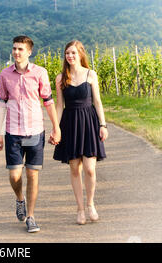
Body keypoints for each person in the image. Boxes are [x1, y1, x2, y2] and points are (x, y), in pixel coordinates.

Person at [0, 35, 61, 233]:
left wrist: (56, 127)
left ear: (29, 52)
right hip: (13, 132)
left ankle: (31, 216)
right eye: (14, 48)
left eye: (20, 49)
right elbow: (1, 103)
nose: (16, 52)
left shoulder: (40, 73)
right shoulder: (5, 75)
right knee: (15, 175)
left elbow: (48, 102)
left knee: (32, 174)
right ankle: (19, 199)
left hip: (34, 131)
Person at [53, 40, 108, 225]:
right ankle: (80, 209)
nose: (70, 56)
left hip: (89, 122)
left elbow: (98, 102)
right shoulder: (61, 78)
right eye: (67, 53)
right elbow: (59, 106)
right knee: (74, 168)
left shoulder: (91, 75)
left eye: (74, 53)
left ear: (81, 54)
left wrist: (103, 124)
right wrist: (56, 128)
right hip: (70, 123)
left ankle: (91, 203)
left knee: (90, 169)